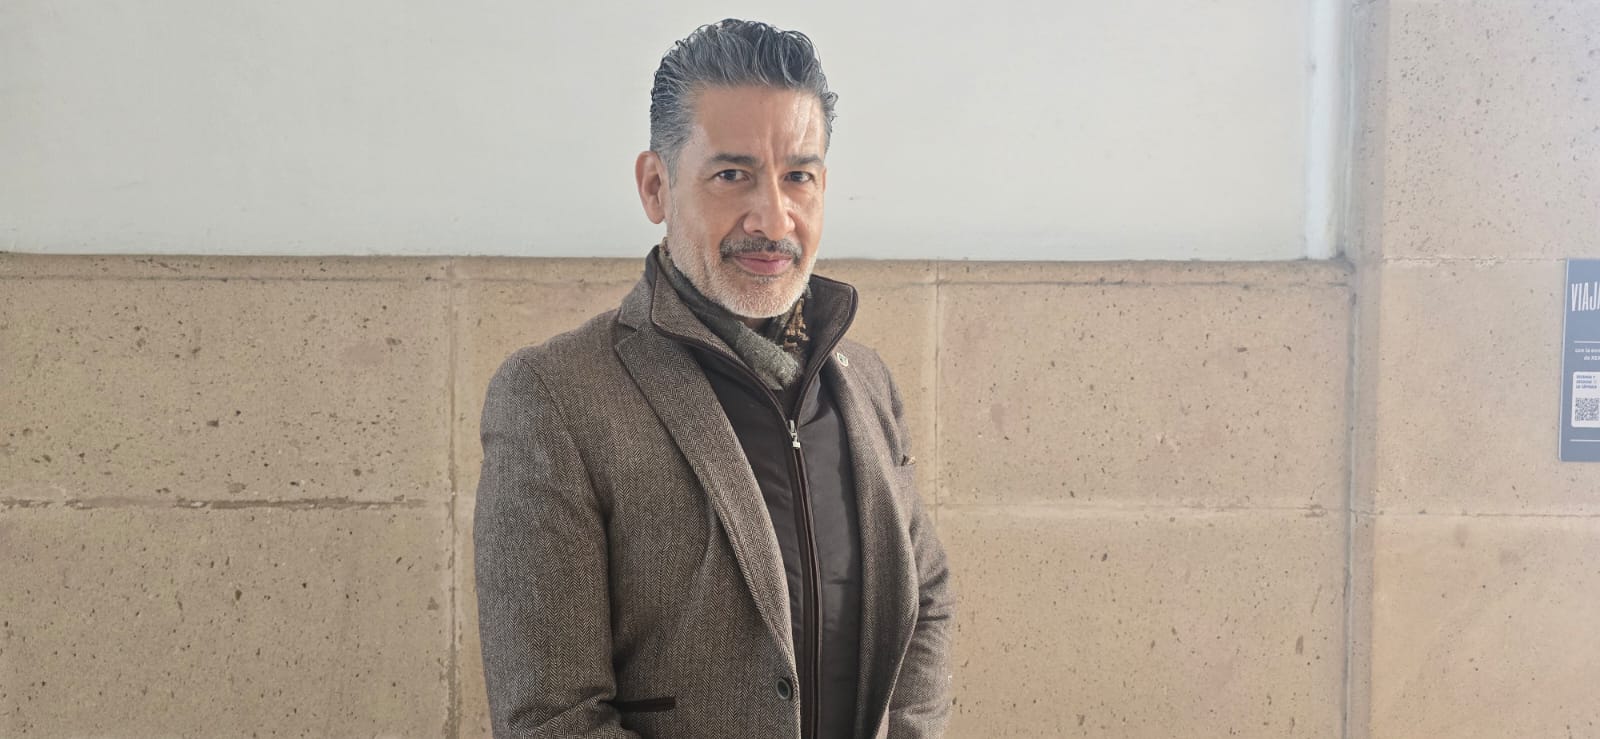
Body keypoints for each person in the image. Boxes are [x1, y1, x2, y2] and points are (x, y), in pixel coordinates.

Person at [473, 19, 953, 739]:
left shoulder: (867, 384)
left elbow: (926, 598)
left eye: (798, 176)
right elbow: (552, 720)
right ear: (656, 186)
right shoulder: (555, 397)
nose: (772, 217)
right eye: (733, 175)